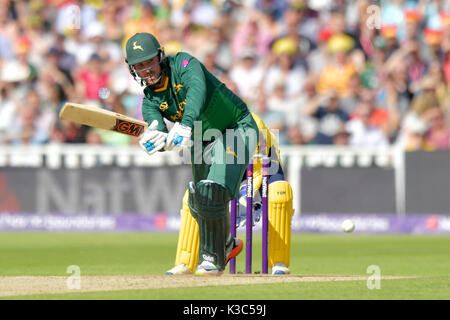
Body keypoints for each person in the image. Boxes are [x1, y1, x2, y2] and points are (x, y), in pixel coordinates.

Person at [125, 32, 259, 276]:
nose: (147, 70)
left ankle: (212, 260)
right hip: (201, 141)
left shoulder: (184, 64)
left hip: (236, 127)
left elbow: (197, 91)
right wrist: (158, 141)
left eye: (150, 61)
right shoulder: (150, 101)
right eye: (140, 66)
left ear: (160, 56)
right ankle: (227, 244)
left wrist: (185, 124)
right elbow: (158, 128)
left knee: (212, 189)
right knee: (200, 199)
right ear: (132, 69)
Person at [165, 112, 293, 275]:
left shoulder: (253, 123)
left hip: (261, 170)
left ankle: (279, 262)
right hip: (226, 170)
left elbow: (259, 165)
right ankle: (186, 263)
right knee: (194, 197)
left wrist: (248, 189)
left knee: (280, 193)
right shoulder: (205, 124)